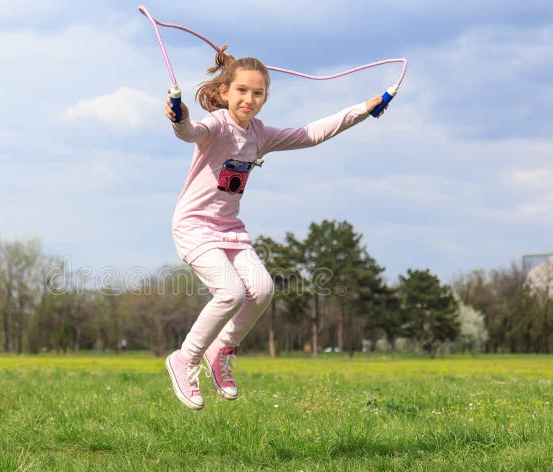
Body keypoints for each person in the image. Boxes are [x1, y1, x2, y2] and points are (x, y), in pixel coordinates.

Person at [164, 47, 388, 410]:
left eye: (258, 93)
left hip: (230, 229)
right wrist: (179, 117)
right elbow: (189, 132)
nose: (249, 99)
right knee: (230, 293)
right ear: (224, 92)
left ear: (265, 97)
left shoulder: (260, 135)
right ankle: (185, 359)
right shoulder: (218, 125)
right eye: (241, 91)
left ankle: (221, 349)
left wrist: (363, 109)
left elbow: (312, 133)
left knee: (263, 289)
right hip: (194, 226)